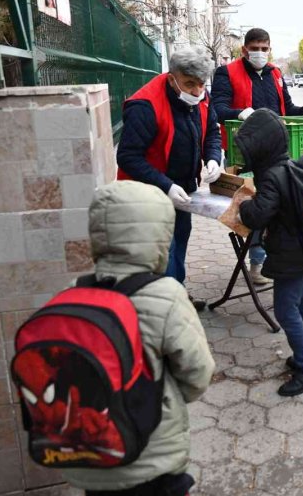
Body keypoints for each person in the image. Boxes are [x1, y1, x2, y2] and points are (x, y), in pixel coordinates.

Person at [61, 181, 215, 496]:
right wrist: (165, 395)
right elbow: (198, 372)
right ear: (159, 235)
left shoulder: (70, 294)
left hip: (88, 453)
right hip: (152, 456)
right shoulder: (166, 294)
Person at [212, 28, 303, 285]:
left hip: (275, 156)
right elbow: (217, 109)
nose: (260, 53)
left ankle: (283, 256)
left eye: (265, 49)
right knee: (255, 205)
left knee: (280, 207)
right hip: (244, 154)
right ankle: (257, 262)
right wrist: (240, 112)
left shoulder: (275, 73)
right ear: (244, 50)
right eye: (255, 48)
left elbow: (287, 108)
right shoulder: (226, 73)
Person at [116, 47, 222, 310]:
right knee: (165, 250)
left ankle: (176, 294)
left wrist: (212, 158)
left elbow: (211, 132)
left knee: (180, 239)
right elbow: (128, 157)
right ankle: (167, 310)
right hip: (149, 194)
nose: (197, 91)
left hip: (184, 191)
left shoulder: (200, 97)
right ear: (172, 77)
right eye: (189, 84)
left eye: (201, 84)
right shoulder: (145, 105)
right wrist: (165, 185)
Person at [236, 110, 303, 397]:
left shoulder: (272, 176)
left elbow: (259, 215)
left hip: (289, 256)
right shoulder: (286, 167)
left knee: (286, 310)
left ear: (261, 148)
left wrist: (243, 206)